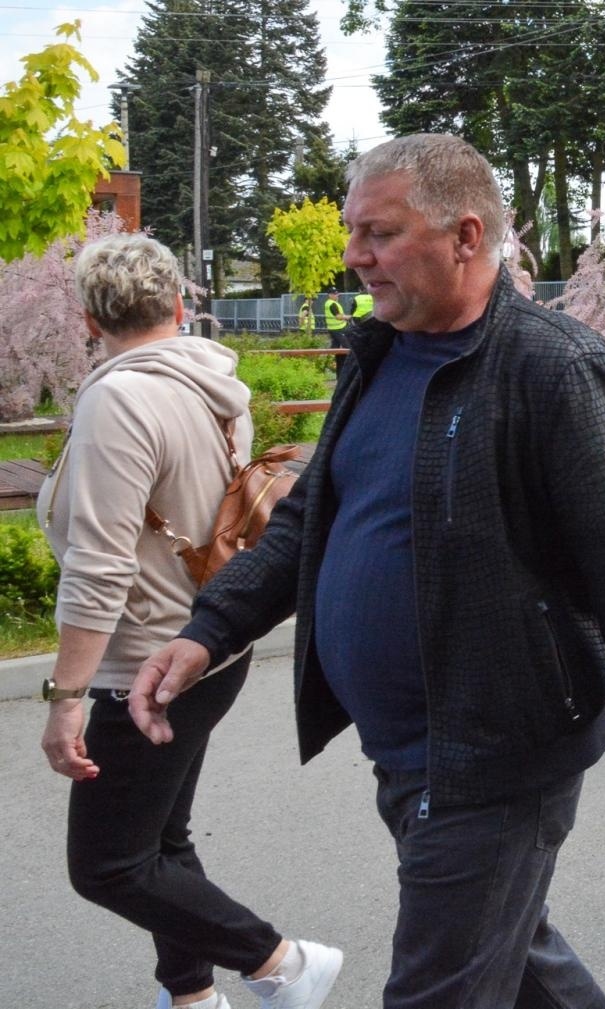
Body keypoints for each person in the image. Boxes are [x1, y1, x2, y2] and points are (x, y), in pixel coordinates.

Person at [128, 134, 605, 1009]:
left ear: (467, 236)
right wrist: (210, 630)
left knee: (438, 989)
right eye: (352, 232)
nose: (354, 256)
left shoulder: (552, 368)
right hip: (410, 752)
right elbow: (310, 523)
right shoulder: (381, 357)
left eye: (378, 233)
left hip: (498, 754)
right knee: (516, 964)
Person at [37, 234, 341, 1009]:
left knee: (107, 864)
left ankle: (280, 961)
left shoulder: (120, 398)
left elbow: (100, 564)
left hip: (143, 661)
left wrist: (65, 695)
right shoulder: (211, 382)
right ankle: (193, 996)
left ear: (87, 320)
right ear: (179, 305)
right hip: (211, 640)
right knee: (161, 840)